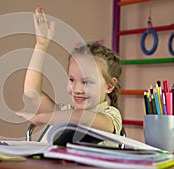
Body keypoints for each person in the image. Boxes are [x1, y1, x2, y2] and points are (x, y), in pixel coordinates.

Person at [16, 7, 123, 145]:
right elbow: (32, 93)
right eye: (72, 80)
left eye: (86, 82)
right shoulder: (64, 112)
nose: (77, 89)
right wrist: (41, 45)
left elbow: (81, 118)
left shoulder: (111, 116)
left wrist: (42, 118)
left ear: (109, 86)